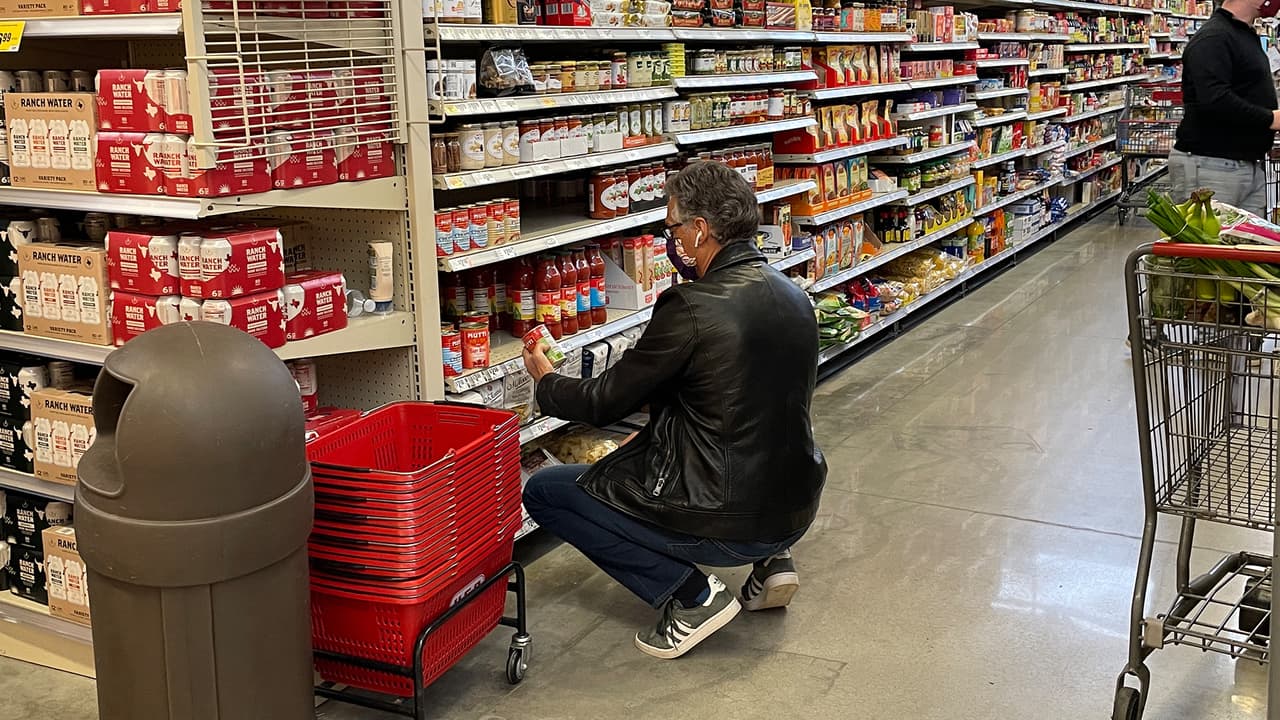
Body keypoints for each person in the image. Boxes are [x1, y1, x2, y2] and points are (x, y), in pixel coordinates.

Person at [520, 160, 827, 660]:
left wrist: (548, 383)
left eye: (672, 227)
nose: (671, 239)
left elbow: (604, 402)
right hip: (795, 505)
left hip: (725, 518)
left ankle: (693, 596)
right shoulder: (793, 294)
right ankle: (773, 560)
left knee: (548, 492)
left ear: (700, 230)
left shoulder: (691, 306)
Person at [1171, 0, 1280, 216]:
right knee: (1207, 247)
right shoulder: (1214, 37)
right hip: (1211, 165)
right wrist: (1270, 119)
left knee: (1246, 246)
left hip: (1246, 165)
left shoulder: (1244, 34)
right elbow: (1214, 99)